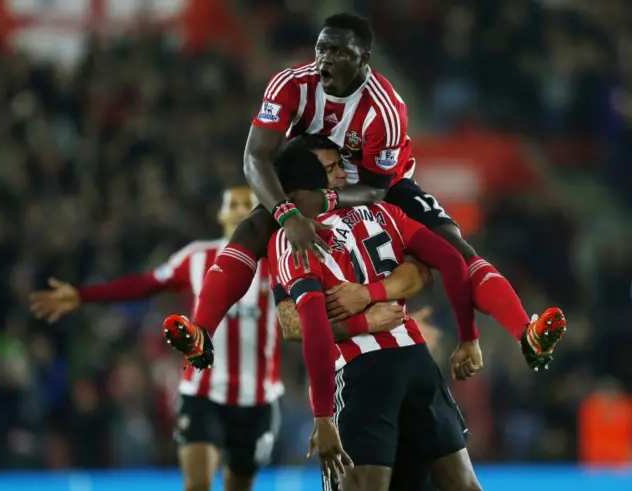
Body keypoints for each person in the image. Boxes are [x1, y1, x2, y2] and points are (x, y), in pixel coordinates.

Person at [172, 12, 566, 373]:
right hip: (310, 181)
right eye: (322, 48)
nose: (325, 58)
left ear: (364, 58)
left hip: (375, 186)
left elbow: (377, 190)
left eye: (339, 51)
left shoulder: (386, 109)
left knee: (454, 246)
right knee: (251, 230)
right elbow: (254, 159)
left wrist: (324, 202)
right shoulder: (291, 85)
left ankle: (526, 332)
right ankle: (201, 330)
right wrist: (289, 214)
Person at [267, 140, 486, 491]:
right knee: (462, 484)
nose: (343, 172)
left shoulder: (294, 237)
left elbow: (306, 324)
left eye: (341, 164)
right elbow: (450, 262)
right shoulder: (382, 212)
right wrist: (468, 337)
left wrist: (323, 418)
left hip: (361, 372)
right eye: (331, 168)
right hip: (415, 362)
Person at [30, 187, 282, 491]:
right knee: (197, 484)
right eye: (235, 204)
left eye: (249, 204)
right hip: (202, 392)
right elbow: (145, 284)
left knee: (239, 486)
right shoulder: (197, 257)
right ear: (222, 214)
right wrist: (84, 295)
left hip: (255, 397)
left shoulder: (277, 260)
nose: (241, 209)